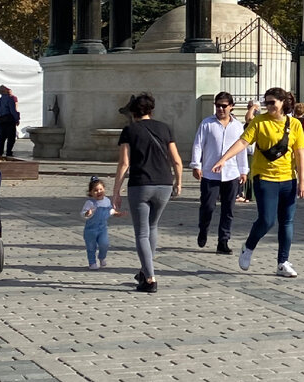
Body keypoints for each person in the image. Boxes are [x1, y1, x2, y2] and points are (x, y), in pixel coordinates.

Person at [211, 88, 304, 276]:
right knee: (267, 220)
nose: (268, 106)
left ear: (282, 103)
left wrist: (302, 180)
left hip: (288, 179)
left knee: (287, 222)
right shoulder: (259, 121)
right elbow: (243, 142)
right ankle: (248, 246)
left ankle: (283, 262)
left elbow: (300, 153)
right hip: (265, 178)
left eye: (272, 102)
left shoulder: (294, 124)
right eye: (266, 102)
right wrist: (223, 159)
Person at [112, 92, 184, 294]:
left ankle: (150, 278)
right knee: (153, 227)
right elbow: (177, 160)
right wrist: (178, 182)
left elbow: (124, 163)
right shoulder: (165, 128)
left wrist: (116, 191)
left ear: (133, 111)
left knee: (142, 232)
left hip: (140, 185)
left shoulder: (129, 130)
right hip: (164, 184)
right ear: (151, 110)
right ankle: (145, 271)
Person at [190, 92, 248, 254]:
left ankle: (223, 240)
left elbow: (241, 149)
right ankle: (203, 229)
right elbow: (198, 145)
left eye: (224, 106)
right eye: (218, 106)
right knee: (208, 206)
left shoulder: (237, 126)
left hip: (231, 173)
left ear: (231, 107)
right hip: (210, 173)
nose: (221, 109)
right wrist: (196, 165)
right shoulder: (207, 124)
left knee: (228, 209)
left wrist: (243, 170)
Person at [81, 175, 123, 269]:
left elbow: (110, 210)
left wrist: (116, 213)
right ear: (91, 193)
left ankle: (102, 257)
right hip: (90, 230)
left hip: (102, 228)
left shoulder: (107, 201)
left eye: (100, 189)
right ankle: (92, 263)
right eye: (95, 190)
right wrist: (87, 213)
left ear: (104, 189)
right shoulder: (90, 203)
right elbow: (83, 214)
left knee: (104, 244)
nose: (98, 192)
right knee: (91, 247)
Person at [0, 85, 20, 159]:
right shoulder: (10, 99)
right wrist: (17, 119)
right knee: (11, 137)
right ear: (5, 91)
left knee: (2, 136)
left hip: (1, 120)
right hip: (9, 119)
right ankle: (9, 151)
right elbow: (13, 110)